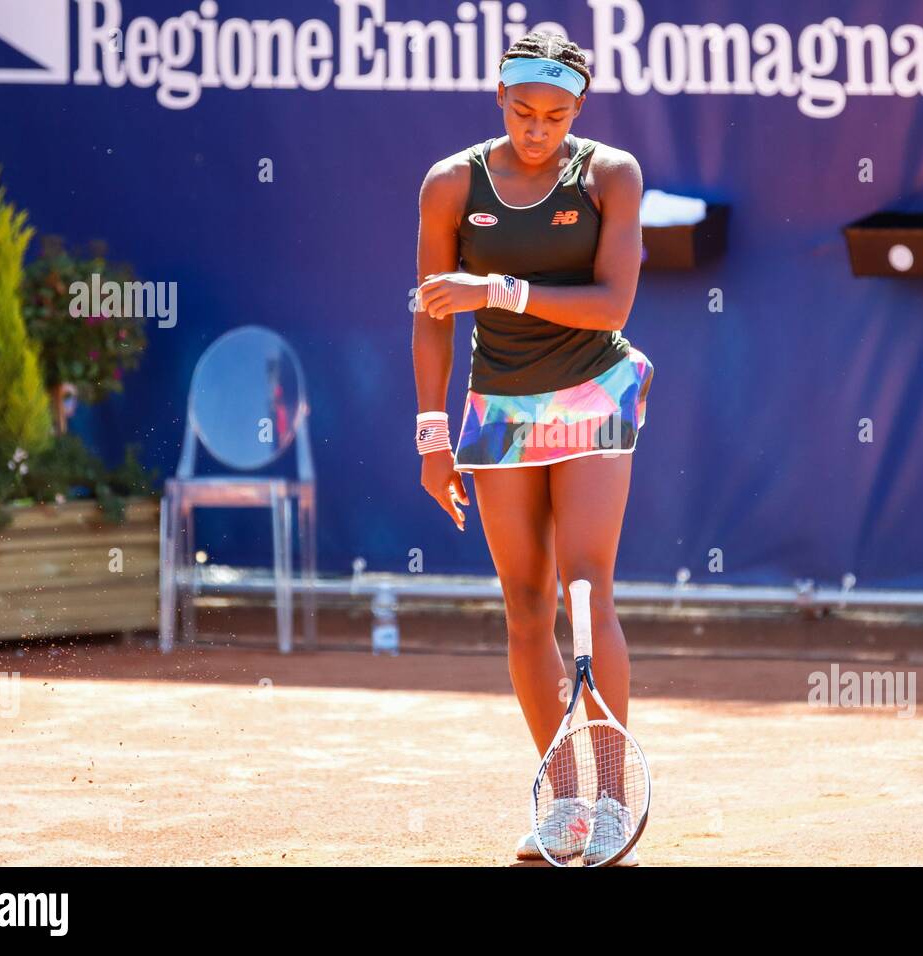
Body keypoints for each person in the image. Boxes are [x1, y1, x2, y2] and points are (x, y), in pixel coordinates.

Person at [412, 30, 654, 865]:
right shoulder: (450, 184)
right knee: (524, 606)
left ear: (579, 109)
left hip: (591, 389)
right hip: (500, 406)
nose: (536, 129)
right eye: (521, 111)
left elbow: (611, 306)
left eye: (555, 114)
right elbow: (430, 316)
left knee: (585, 593)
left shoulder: (611, 174)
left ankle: (618, 799)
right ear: (499, 99)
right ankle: (564, 804)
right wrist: (433, 436)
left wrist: (498, 289)